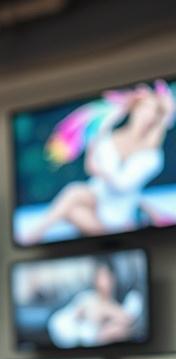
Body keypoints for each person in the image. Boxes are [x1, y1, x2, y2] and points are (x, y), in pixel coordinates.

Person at [23, 80, 176, 244]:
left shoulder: (152, 157)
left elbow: (121, 184)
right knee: (72, 193)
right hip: (97, 196)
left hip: (116, 215)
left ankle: (32, 238)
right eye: (144, 107)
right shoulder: (111, 136)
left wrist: (99, 168)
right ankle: (33, 236)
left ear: (155, 118)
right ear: (135, 109)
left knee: (72, 211)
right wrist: (113, 114)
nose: (146, 114)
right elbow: (91, 165)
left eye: (152, 111)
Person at [47, 257, 144, 348]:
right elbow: (57, 326)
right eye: (99, 277)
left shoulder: (131, 298)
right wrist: (95, 334)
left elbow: (132, 325)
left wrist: (109, 310)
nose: (103, 283)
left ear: (114, 278)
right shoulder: (86, 298)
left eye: (106, 276)